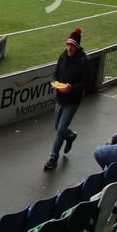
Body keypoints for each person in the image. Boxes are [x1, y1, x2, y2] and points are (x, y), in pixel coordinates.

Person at [45, 28, 90, 171]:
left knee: (60, 129)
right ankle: (70, 136)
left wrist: (72, 88)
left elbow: (85, 82)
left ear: (77, 47)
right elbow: (56, 74)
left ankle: (53, 158)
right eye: (68, 45)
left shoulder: (83, 61)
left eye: (72, 46)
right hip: (60, 97)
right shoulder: (63, 56)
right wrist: (55, 83)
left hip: (72, 100)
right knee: (58, 127)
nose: (69, 48)